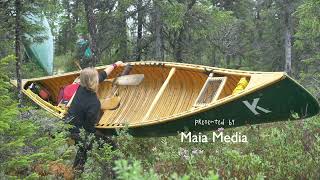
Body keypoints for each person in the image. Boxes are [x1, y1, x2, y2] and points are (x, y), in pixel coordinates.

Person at [66, 61, 125, 171]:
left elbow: (102, 75)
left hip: (67, 124)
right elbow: (89, 128)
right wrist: (101, 130)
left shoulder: (81, 87)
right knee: (110, 146)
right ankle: (115, 173)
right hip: (78, 132)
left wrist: (114, 65)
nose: (99, 78)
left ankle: (76, 171)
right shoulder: (94, 103)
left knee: (82, 148)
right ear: (93, 82)